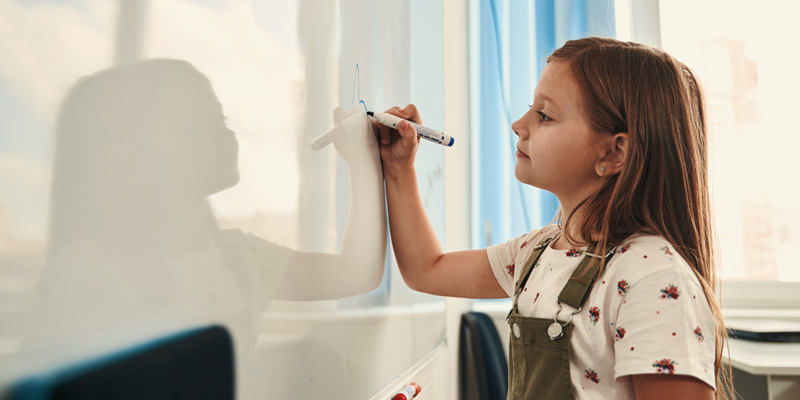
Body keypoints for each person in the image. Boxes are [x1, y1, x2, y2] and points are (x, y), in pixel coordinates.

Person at [377, 37, 730, 400]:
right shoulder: (537, 252)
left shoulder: (652, 275)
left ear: (613, 151)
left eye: (544, 115)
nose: (518, 124)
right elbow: (427, 269)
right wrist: (398, 167)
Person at [13, 58, 387, 399]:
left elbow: (355, 272)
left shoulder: (240, 258)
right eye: (196, 126)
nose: (226, 135)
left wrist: (362, 160)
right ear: (133, 158)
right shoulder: (86, 276)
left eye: (220, 120)